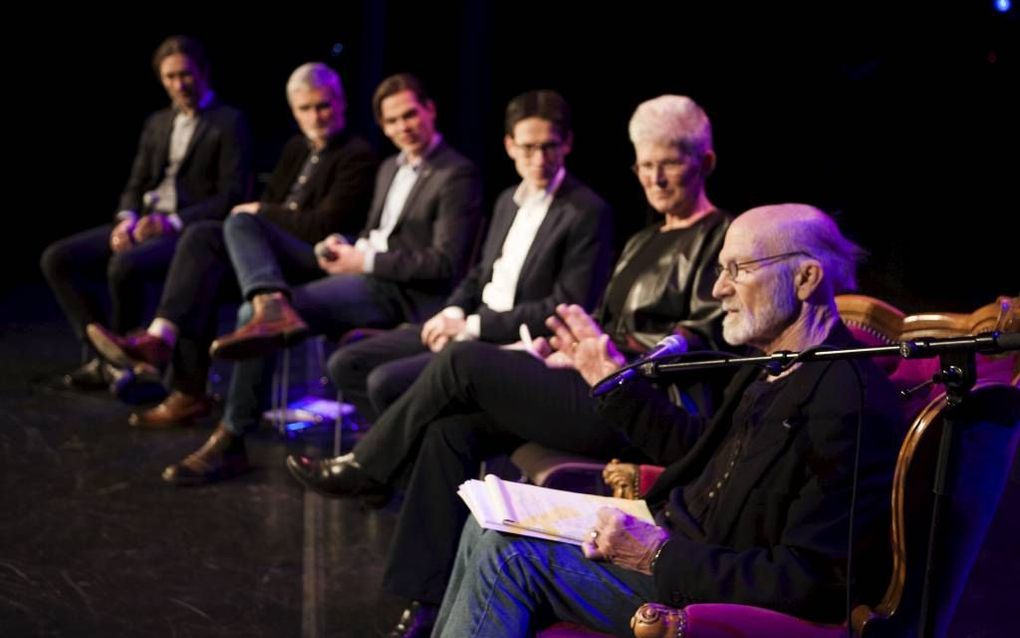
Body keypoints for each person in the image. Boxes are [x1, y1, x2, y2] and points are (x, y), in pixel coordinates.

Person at [286, 94, 731, 636]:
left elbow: (702, 341)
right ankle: (426, 600)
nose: (655, 178)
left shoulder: (720, 240)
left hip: (640, 408)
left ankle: (368, 465)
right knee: (449, 429)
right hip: (594, 381)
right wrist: (566, 344)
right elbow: (599, 317)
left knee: (465, 360)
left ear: (704, 162)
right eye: (645, 164)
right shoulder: (643, 238)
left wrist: (611, 354)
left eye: (671, 163)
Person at [432, 204, 905, 637]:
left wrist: (656, 553)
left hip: (698, 587)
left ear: (805, 278)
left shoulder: (849, 402)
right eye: (721, 270)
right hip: (668, 543)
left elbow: (814, 581)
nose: (719, 289)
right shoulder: (773, 366)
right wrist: (611, 380)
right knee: (485, 524)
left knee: (508, 553)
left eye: (736, 270)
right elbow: (700, 451)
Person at [159, 73, 483, 485]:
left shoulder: (456, 173)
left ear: (430, 110)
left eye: (411, 115)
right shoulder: (389, 167)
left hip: (401, 294)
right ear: (383, 126)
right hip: (360, 273)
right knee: (240, 222)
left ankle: (233, 437)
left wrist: (362, 260)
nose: (404, 127)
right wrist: (343, 245)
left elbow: (444, 265)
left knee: (247, 313)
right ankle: (268, 302)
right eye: (393, 121)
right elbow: (375, 232)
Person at [85, 62, 377, 419]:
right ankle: (171, 359)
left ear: (341, 103)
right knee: (200, 248)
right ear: (293, 111)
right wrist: (262, 215)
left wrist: (262, 214)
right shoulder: (295, 149)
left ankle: (247, 323)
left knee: (235, 223)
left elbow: (321, 224)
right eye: (306, 108)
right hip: (267, 257)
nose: (316, 116)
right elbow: (274, 202)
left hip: (316, 259)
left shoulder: (357, 154)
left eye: (324, 105)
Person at [328, 89, 615, 421]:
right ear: (510, 145)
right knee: (347, 364)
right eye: (528, 147)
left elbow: (565, 306)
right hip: (470, 325)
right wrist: (450, 312)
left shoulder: (587, 211)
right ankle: (399, 452)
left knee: (385, 383)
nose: (539, 159)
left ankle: (390, 461)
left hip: (516, 343)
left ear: (566, 144)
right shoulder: (508, 199)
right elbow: (481, 273)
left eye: (549, 146)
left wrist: (473, 325)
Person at [40, 35, 252, 391]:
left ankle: (129, 358)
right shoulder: (157, 122)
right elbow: (136, 183)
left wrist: (169, 222)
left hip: (187, 231)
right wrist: (126, 220)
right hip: (142, 223)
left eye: (185, 74)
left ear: (203, 72)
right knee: (55, 259)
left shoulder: (230, 122)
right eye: (169, 78)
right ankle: (108, 355)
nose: (178, 84)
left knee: (125, 265)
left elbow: (231, 194)